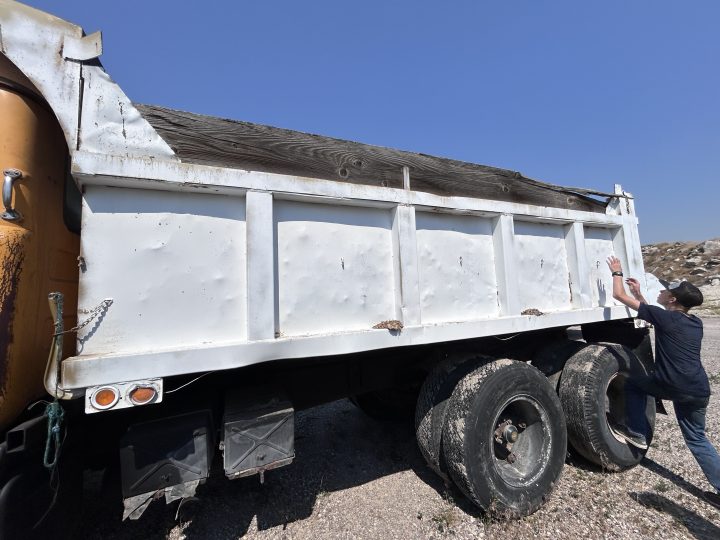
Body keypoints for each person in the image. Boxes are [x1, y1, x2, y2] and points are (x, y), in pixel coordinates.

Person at [606, 255, 720, 508]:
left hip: (673, 385)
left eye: (667, 291)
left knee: (635, 386)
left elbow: (618, 296)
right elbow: (655, 316)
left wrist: (617, 273)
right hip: (699, 389)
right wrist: (639, 294)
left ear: (672, 300)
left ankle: (636, 433)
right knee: (698, 439)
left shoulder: (666, 318)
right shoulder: (694, 322)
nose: (663, 291)